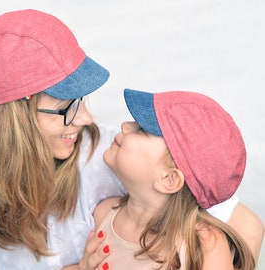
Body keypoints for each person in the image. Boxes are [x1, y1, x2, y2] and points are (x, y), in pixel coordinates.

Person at [0, 9, 263, 270]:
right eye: (67, 106)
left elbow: (246, 226)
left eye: (82, 101)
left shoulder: (104, 155)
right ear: (13, 118)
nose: (87, 119)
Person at [92, 89, 262, 269]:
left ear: (169, 179)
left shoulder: (204, 247)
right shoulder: (103, 213)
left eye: (141, 130)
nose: (125, 125)